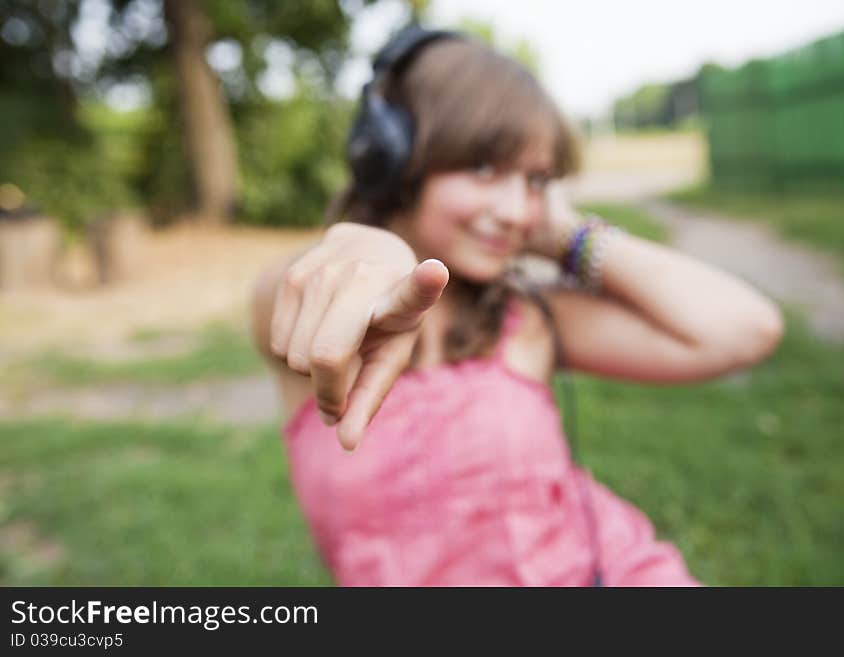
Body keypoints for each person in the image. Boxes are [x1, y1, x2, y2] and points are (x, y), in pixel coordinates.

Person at [250, 26, 784, 586]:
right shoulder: (311, 307)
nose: (513, 209)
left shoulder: (526, 321)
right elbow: (301, 281)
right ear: (391, 160)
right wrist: (377, 248)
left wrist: (565, 234)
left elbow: (746, 328)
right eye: (484, 168)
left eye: (535, 180)